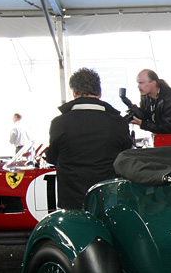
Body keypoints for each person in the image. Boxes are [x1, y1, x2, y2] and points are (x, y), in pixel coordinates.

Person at [47, 68, 133, 210]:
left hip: (71, 200)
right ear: (99, 93)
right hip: (108, 199)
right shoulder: (118, 122)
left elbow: (52, 157)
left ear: (74, 93)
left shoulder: (59, 123)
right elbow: (125, 155)